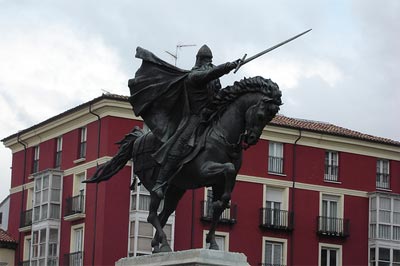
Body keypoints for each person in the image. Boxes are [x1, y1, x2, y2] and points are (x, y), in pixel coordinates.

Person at [129, 45, 238, 198]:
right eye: (207, 60)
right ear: (199, 60)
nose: (209, 63)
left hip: (210, 116)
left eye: (211, 60)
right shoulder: (194, 76)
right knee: (179, 144)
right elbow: (210, 74)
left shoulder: (213, 80)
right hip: (193, 118)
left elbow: (217, 94)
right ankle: (161, 182)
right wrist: (228, 66)